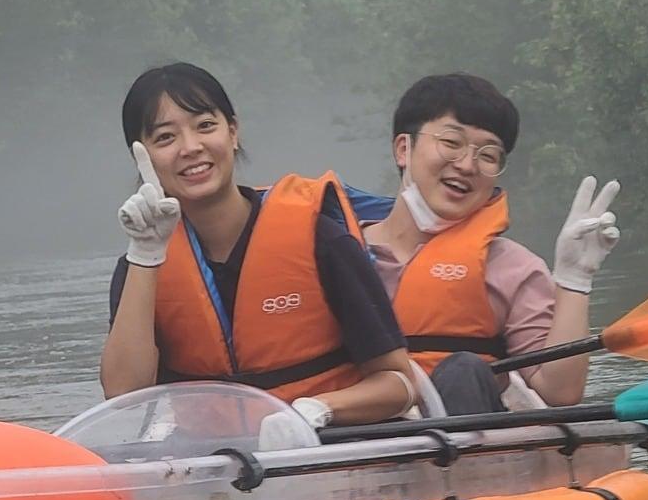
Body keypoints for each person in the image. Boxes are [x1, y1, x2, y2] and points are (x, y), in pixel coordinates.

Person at [101, 62, 417, 432]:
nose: (191, 148)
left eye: (205, 126)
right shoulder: (143, 263)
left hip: (331, 456)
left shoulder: (321, 238)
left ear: (233, 132)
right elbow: (123, 393)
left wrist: (313, 411)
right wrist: (145, 254)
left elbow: (400, 383)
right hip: (219, 471)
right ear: (142, 156)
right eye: (166, 138)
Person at [360, 73, 621, 413]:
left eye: (488, 155)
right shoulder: (335, 254)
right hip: (354, 447)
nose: (467, 165)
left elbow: (559, 394)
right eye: (451, 143)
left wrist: (574, 280)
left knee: (464, 371)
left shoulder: (512, 268)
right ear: (403, 149)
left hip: (467, 451)